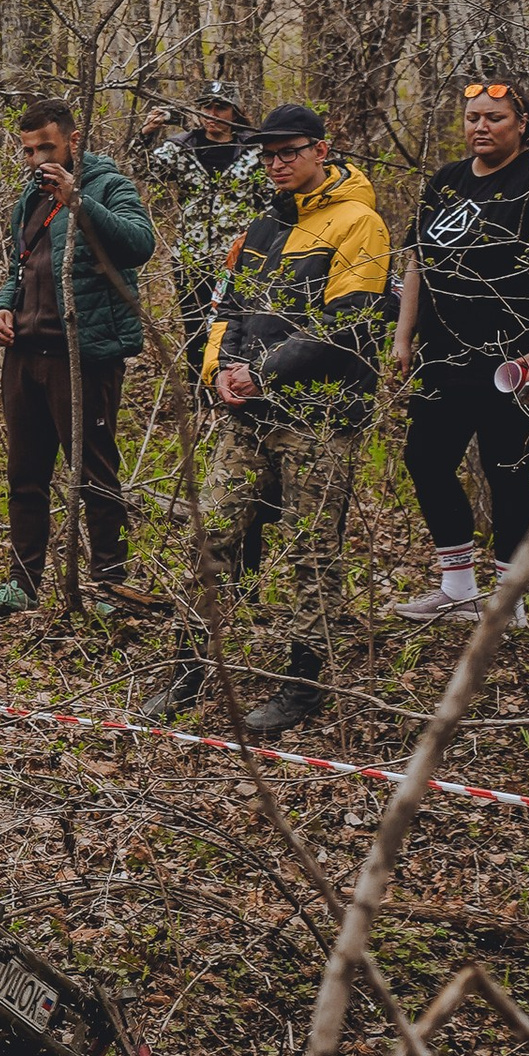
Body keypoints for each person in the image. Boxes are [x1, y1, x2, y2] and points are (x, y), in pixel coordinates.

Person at [143, 102, 392, 741]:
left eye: (289, 152)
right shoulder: (257, 227)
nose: (276, 164)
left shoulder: (358, 223)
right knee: (215, 535)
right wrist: (220, 368)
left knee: (311, 549)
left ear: (320, 149)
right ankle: (191, 666)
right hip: (246, 414)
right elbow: (223, 309)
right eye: (268, 154)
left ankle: (305, 682)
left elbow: (351, 323)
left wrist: (268, 372)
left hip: (320, 415)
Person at [0, 96, 157, 615]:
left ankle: (107, 587)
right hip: (24, 354)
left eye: (46, 148)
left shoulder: (109, 185)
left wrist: (78, 199)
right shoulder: (29, 197)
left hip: (83, 356)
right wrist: (1, 308)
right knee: (24, 473)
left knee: (95, 472)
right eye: (28, 150)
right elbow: (21, 264)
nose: (36, 161)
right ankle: (22, 583)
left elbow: (138, 244)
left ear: (73, 142)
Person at [389, 75, 529, 621]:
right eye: (473, 118)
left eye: (495, 117)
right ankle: (458, 588)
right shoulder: (445, 181)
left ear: (523, 124)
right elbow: (417, 261)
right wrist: (403, 338)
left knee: (506, 466)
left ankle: (510, 601)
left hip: (515, 355)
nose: (481, 127)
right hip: (445, 351)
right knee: (425, 457)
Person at [143, 84, 259, 379]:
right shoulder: (182, 147)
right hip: (191, 259)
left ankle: (231, 387)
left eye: (220, 107)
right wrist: (147, 134)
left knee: (235, 327)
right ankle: (200, 396)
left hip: (238, 260)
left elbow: (271, 202)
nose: (212, 114)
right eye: (206, 107)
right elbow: (144, 171)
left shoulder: (255, 150)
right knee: (196, 329)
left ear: (234, 110)